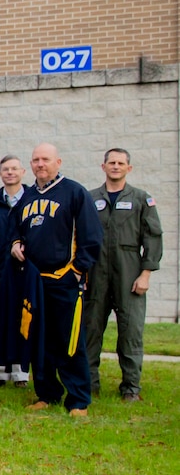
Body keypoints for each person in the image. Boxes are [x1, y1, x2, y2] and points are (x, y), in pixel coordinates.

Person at [11, 143, 103, 416]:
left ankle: (78, 400)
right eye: (36, 160)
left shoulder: (74, 192)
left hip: (65, 280)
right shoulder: (26, 197)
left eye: (46, 159)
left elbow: (92, 235)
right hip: (36, 282)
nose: (41, 164)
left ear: (58, 162)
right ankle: (47, 393)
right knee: (40, 340)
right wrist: (16, 241)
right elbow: (17, 226)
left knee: (69, 340)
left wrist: (78, 269)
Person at [85, 148, 163, 401]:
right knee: (90, 330)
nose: (116, 166)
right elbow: (79, 236)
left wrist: (146, 274)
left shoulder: (141, 199)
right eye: (111, 162)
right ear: (103, 166)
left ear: (128, 168)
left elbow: (152, 237)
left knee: (130, 332)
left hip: (129, 272)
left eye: (121, 163)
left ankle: (131, 388)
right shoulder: (90, 198)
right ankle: (89, 385)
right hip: (96, 273)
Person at [0, 155, 30, 389]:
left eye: (14, 169)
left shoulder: (32, 200)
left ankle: (21, 373)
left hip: (25, 274)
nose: (10, 173)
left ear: (22, 172)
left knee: (23, 323)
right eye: (5, 169)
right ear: (0, 174)